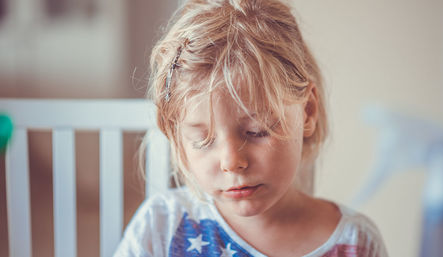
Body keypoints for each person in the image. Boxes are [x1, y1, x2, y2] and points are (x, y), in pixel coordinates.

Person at [114, 0, 388, 256]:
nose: (231, 162)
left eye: (257, 131)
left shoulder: (355, 243)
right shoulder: (162, 226)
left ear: (307, 111)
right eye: (202, 139)